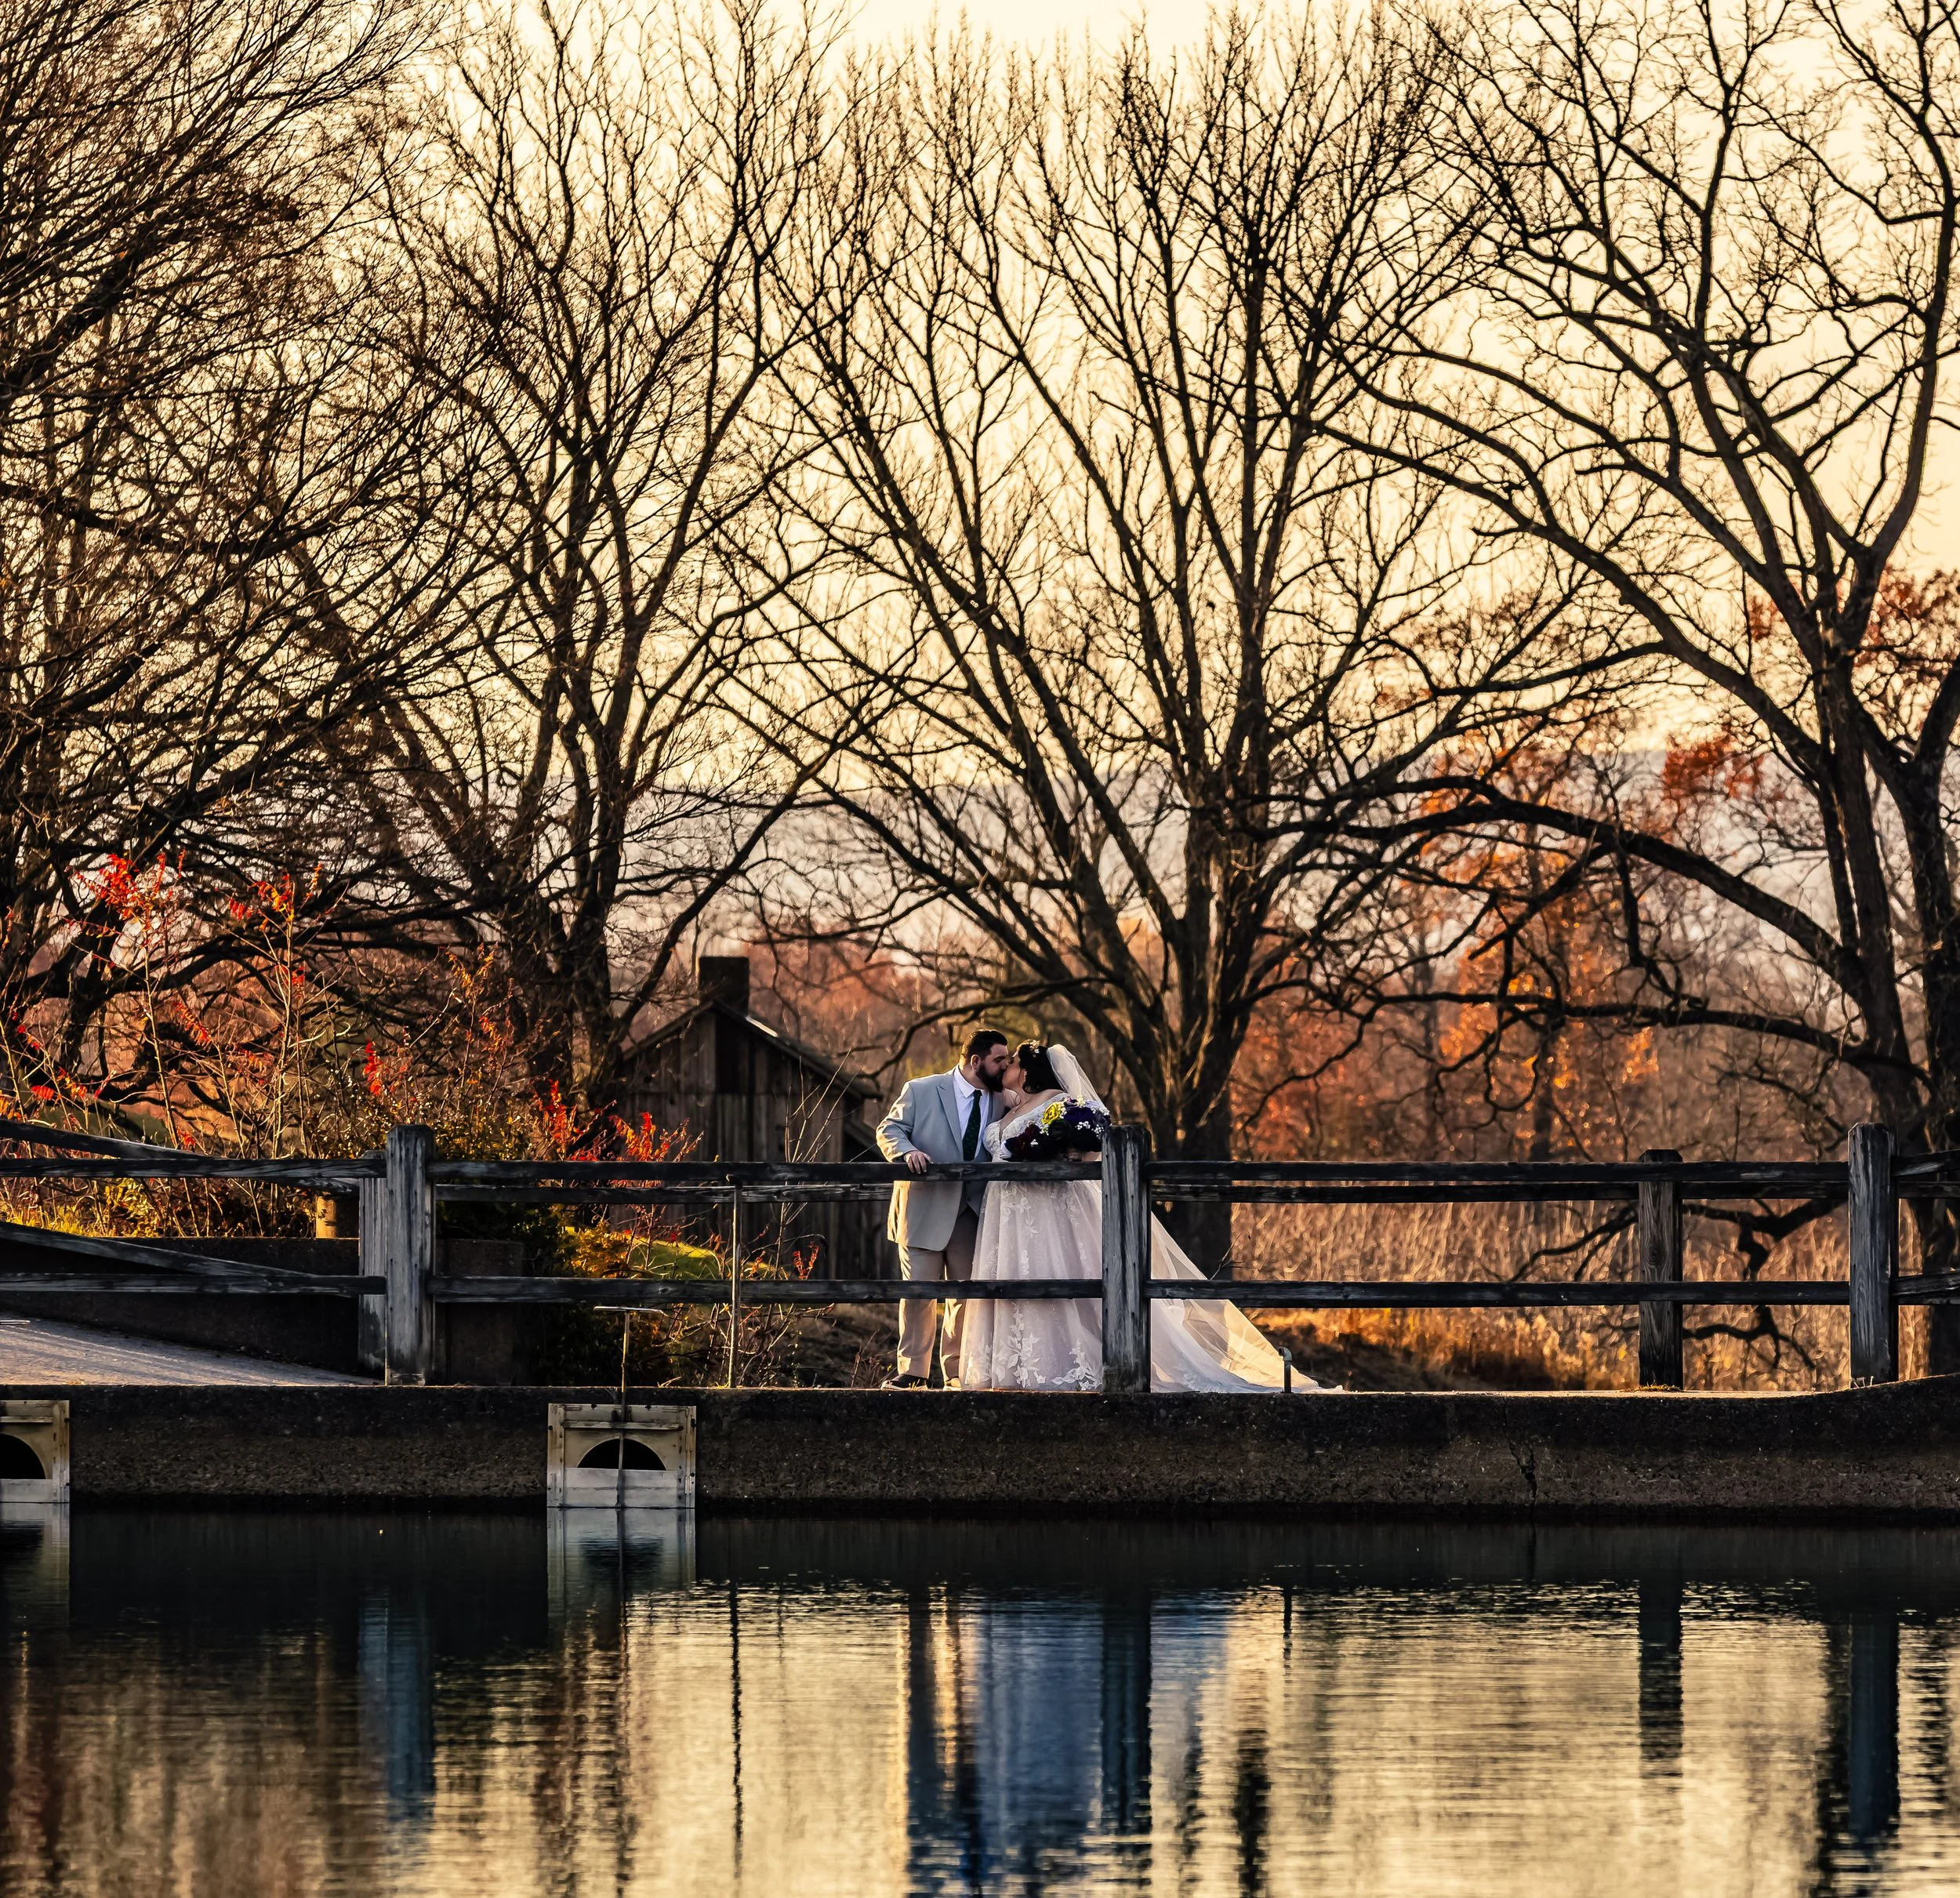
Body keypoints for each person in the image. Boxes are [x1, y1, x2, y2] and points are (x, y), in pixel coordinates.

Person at [959, 1040, 1330, 1392]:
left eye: (1014, 1062)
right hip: (1008, 1217)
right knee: (1011, 1280)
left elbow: (1090, 1147)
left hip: (1046, 1212)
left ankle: (1059, 1366)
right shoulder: (1008, 1108)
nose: (1007, 1067)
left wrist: (1070, 1155)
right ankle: (1014, 1367)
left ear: (1026, 1072)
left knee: (1054, 1278)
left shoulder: (1058, 1102)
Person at [875, 1029, 1011, 1388]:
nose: (1005, 1066)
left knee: (964, 1299)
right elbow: (888, 1128)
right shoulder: (921, 1089)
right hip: (923, 1210)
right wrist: (907, 1152)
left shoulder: (1003, 1099)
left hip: (971, 1214)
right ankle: (913, 1374)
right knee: (918, 1294)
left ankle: (957, 1375)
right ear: (976, 1061)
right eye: (999, 1060)